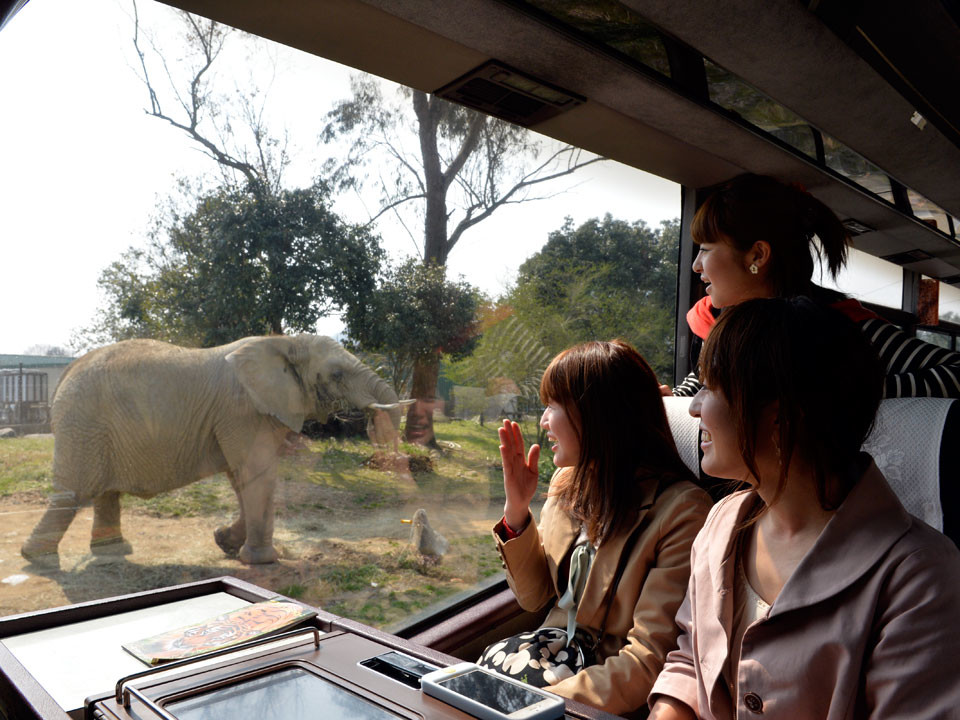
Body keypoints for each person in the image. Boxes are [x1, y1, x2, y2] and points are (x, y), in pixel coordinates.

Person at [649, 298, 960, 720]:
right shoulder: (720, 525)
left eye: (711, 388)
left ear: (780, 418)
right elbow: (690, 660)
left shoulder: (920, 577)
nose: (693, 406)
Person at [489, 340, 712, 717]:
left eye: (553, 406)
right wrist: (517, 509)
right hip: (549, 656)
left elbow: (647, 660)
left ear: (596, 416)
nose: (544, 421)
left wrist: (540, 704)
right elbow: (534, 598)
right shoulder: (567, 484)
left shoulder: (682, 512)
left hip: (603, 688)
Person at [671, 173, 960, 398]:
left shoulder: (843, 329)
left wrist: (843, 395)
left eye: (706, 249)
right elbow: (705, 383)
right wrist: (669, 399)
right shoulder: (715, 323)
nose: (696, 266)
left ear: (757, 255)